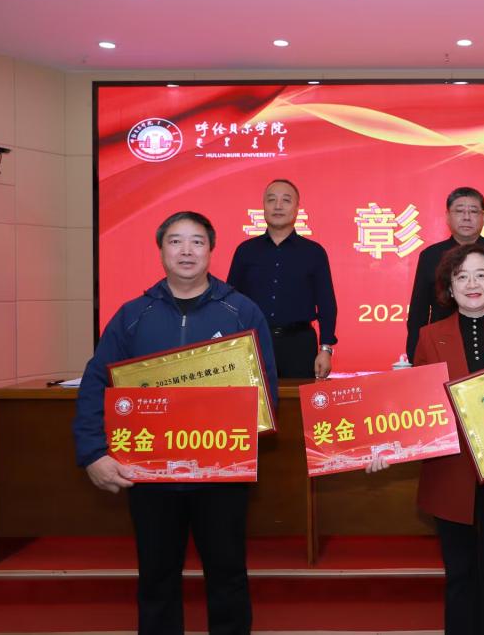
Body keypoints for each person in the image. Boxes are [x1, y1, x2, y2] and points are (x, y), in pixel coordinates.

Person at [73, 211, 279, 635]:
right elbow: (96, 382)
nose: (187, 251)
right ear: (161, 250)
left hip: (221, 474)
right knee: (156, 577)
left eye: (197, 241)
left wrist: (239, 435)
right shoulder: (133, 314)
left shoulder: (241, 311)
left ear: (211, 250)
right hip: (150, 475)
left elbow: (266, 390)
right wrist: (93, 452)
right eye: (176, 241)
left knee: (228, 575)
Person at [371, 243, 484, 635]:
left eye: (481, 275)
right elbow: (416, 410)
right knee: (458, 575)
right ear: (449, 288)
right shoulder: (428, 336)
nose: (473, 284)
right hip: (450, 473)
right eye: (462, 276)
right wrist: (387, 445)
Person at [228, 179, 338, 379]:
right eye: (271, 200)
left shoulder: (314, 252)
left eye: (286, 200)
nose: (278, 206)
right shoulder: (245, 251)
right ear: (263, 206)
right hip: (253, 343)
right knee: (254, 399)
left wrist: (326, 349)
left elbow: (326, 304)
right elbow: (231, 303)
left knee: (298, 399)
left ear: (297, 209)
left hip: (299, 344)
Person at [405, 186, 484, 361]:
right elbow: (418, 312)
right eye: (459, 211)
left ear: (483, 217)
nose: (467, 217)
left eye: (474, 211)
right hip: (443, 348)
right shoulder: (430, 255)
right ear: (447, 216)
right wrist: (416, 358)